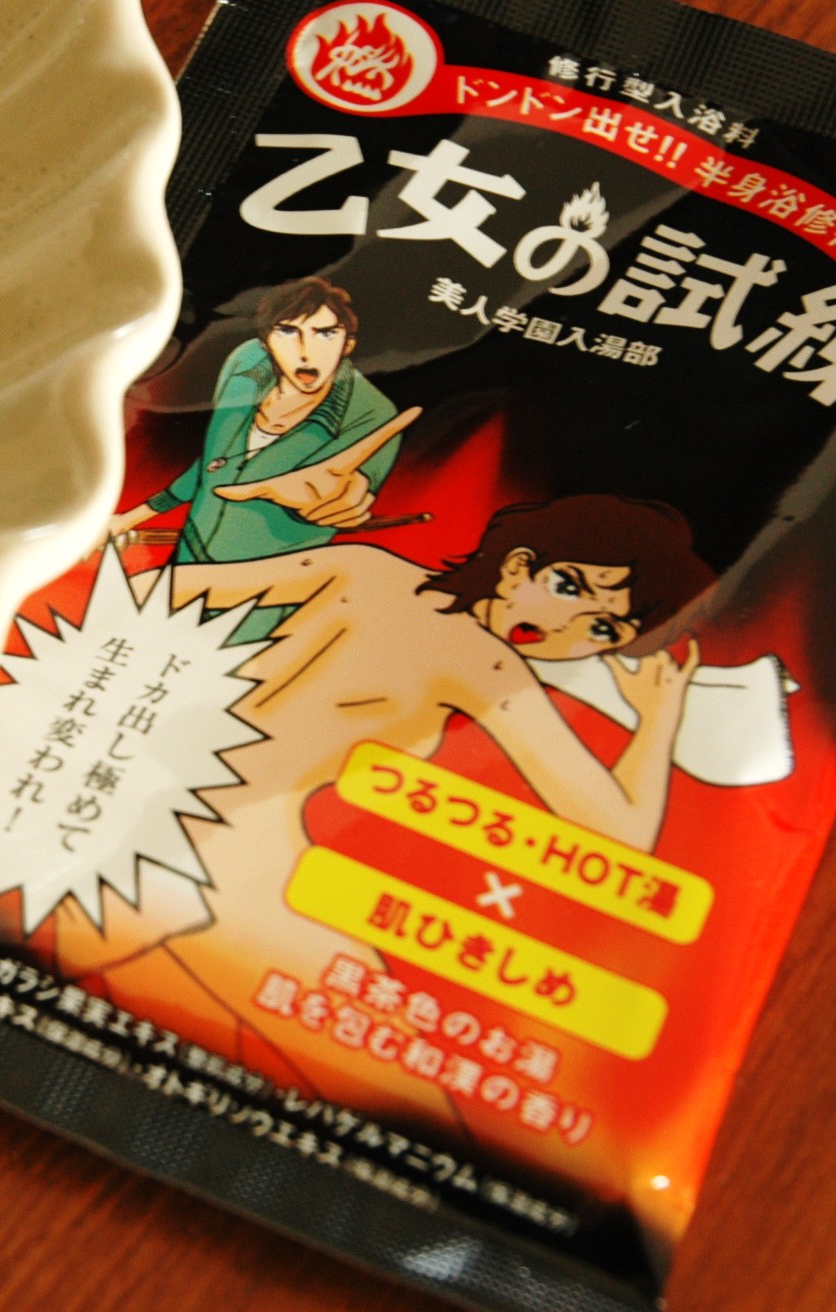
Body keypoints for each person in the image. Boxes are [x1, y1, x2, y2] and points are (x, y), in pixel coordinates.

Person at [76, 483, 715, 1115]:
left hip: (138, 808)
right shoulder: (487, 666)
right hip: (228, 865)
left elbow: (151, 590)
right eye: (568, 587)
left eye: (601, 627)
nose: (561, 628)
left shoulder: (365, 567)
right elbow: (619, 832)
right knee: (410, 1109)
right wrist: (660, 716)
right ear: (519, 565)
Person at [108, 276, 403, 564]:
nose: (305, 352)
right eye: (287, 331)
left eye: (325, 333)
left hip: (267, 573)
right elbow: (212, 463)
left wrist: (346, 497)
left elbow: (351, 486)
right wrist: (129, 519)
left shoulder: (372, 414)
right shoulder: (246, 363)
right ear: (266, 342)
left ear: (347, 344)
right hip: (191, 549)